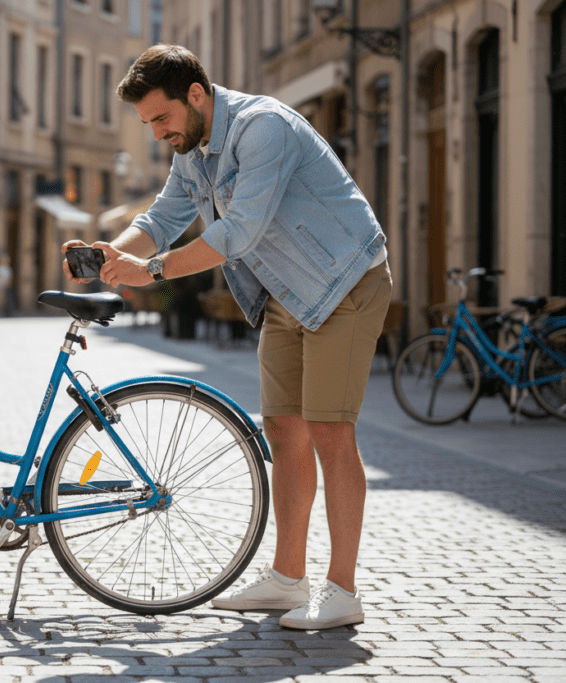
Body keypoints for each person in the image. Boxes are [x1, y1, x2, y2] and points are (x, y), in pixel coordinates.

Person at [62, 44, 392, 630]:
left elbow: (238, 232)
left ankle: (343, 591)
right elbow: (162, 218)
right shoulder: (192, 148)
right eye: (148, 123)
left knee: (330, 431)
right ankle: (288, 579)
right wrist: (115, 253)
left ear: (196, 94)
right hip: (284, 292)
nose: (157, 132)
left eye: (161, 117)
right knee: (284, 430)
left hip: (343, 280)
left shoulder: (264, 128)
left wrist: (152, 271)